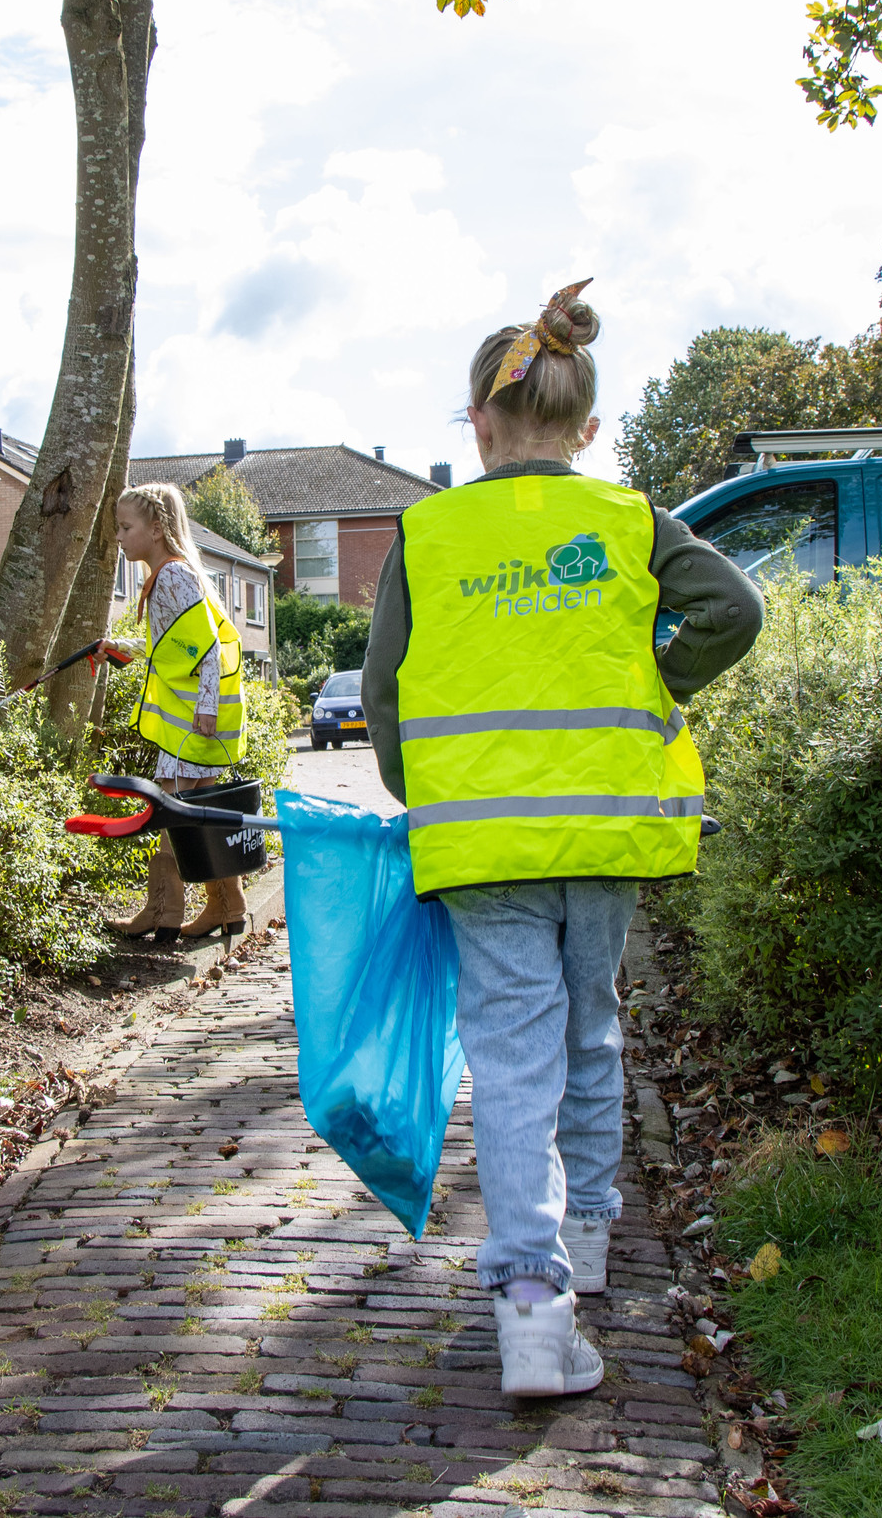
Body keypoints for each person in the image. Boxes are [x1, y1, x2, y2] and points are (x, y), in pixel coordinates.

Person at [361, 280, 764, 1397]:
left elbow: (387, 691)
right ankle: (587, 1239)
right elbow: (736, 611)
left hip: (481, 844)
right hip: (607, 826)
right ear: (586, 431)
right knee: (591, 1032)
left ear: (477, 426)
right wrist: (657, 689)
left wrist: (428, 787)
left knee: (509, 1061)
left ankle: (531, 1300)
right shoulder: (628, 518)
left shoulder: (425, 528)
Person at [108, 482, 251, 944]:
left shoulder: (171, 576)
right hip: (196, 722)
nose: (120, 537)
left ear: (156, 528)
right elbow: (173, 649)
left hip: (191, 724)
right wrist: (123, 648)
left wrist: (206, 709)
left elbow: (206, 648)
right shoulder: (175, 574)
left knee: (167, 811)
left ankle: (163, 912)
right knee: (201, 814)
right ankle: (227, 906)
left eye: (126, 527)